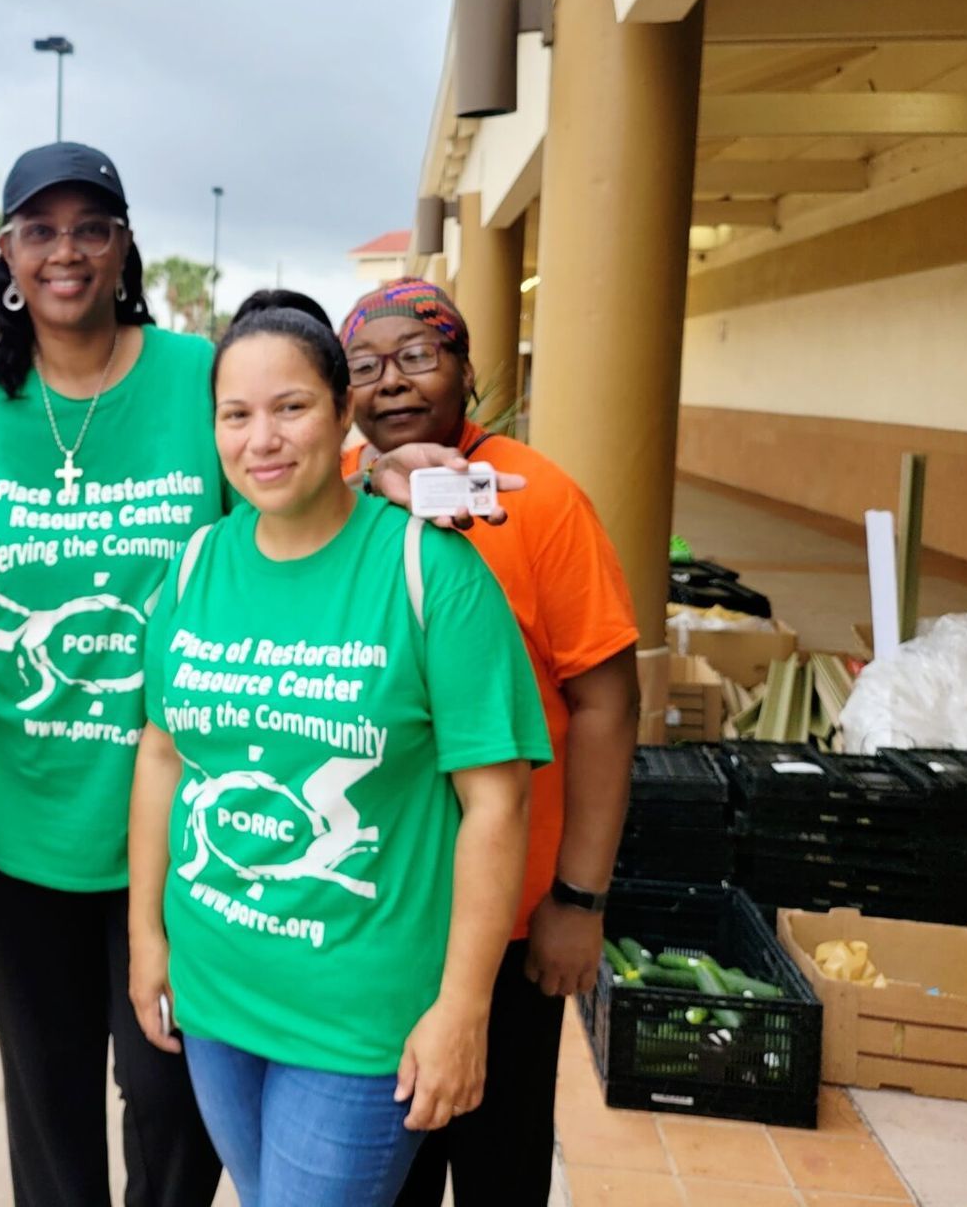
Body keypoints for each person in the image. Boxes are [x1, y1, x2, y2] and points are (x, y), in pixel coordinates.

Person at [127, 291, 550, 1207]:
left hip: (363, 1017)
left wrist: (464, 1006)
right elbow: (163, 753)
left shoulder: (428, 572)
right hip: (217, 992)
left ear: (342, 413)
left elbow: (496, 802)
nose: (262, 440)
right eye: (236, 415)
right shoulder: (196, 565)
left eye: (291, 408)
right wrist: (145, 934)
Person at [0, 142, 225, 1207]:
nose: (66, 251)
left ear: (125, 244)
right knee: (46, 1084)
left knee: (172, 1078)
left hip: (180, 807)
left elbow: (299, 507)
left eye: (90, 227)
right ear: (6, 252)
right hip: (16, 808)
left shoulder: (201, 380)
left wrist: (395, 469)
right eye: (40, 230)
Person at [339, 278, 640, 1207]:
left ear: (466, 371)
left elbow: (608, 706)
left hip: (509, 924)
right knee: (385, 1170)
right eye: (364, 367)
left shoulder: (538, 499)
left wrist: (579, 900)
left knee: (499, 1166)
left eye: (419, 356)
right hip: (377, 919)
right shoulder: (341, 496)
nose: (391, 383)